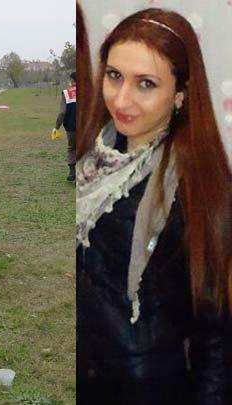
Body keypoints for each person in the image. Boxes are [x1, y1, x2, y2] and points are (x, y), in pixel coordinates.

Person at [76, 8, 232, 404]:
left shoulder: (200, 189)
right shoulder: (88, 159)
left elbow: (217, 342)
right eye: (114, 76)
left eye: (146, 83)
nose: (122, 99)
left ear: (180, 93)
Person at [54, 72, 76, 182]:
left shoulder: (67, 93)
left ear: (72, 81)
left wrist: (56, 127)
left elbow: (62, 113)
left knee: (72, 148)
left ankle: (72, 171)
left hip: (71, 127)